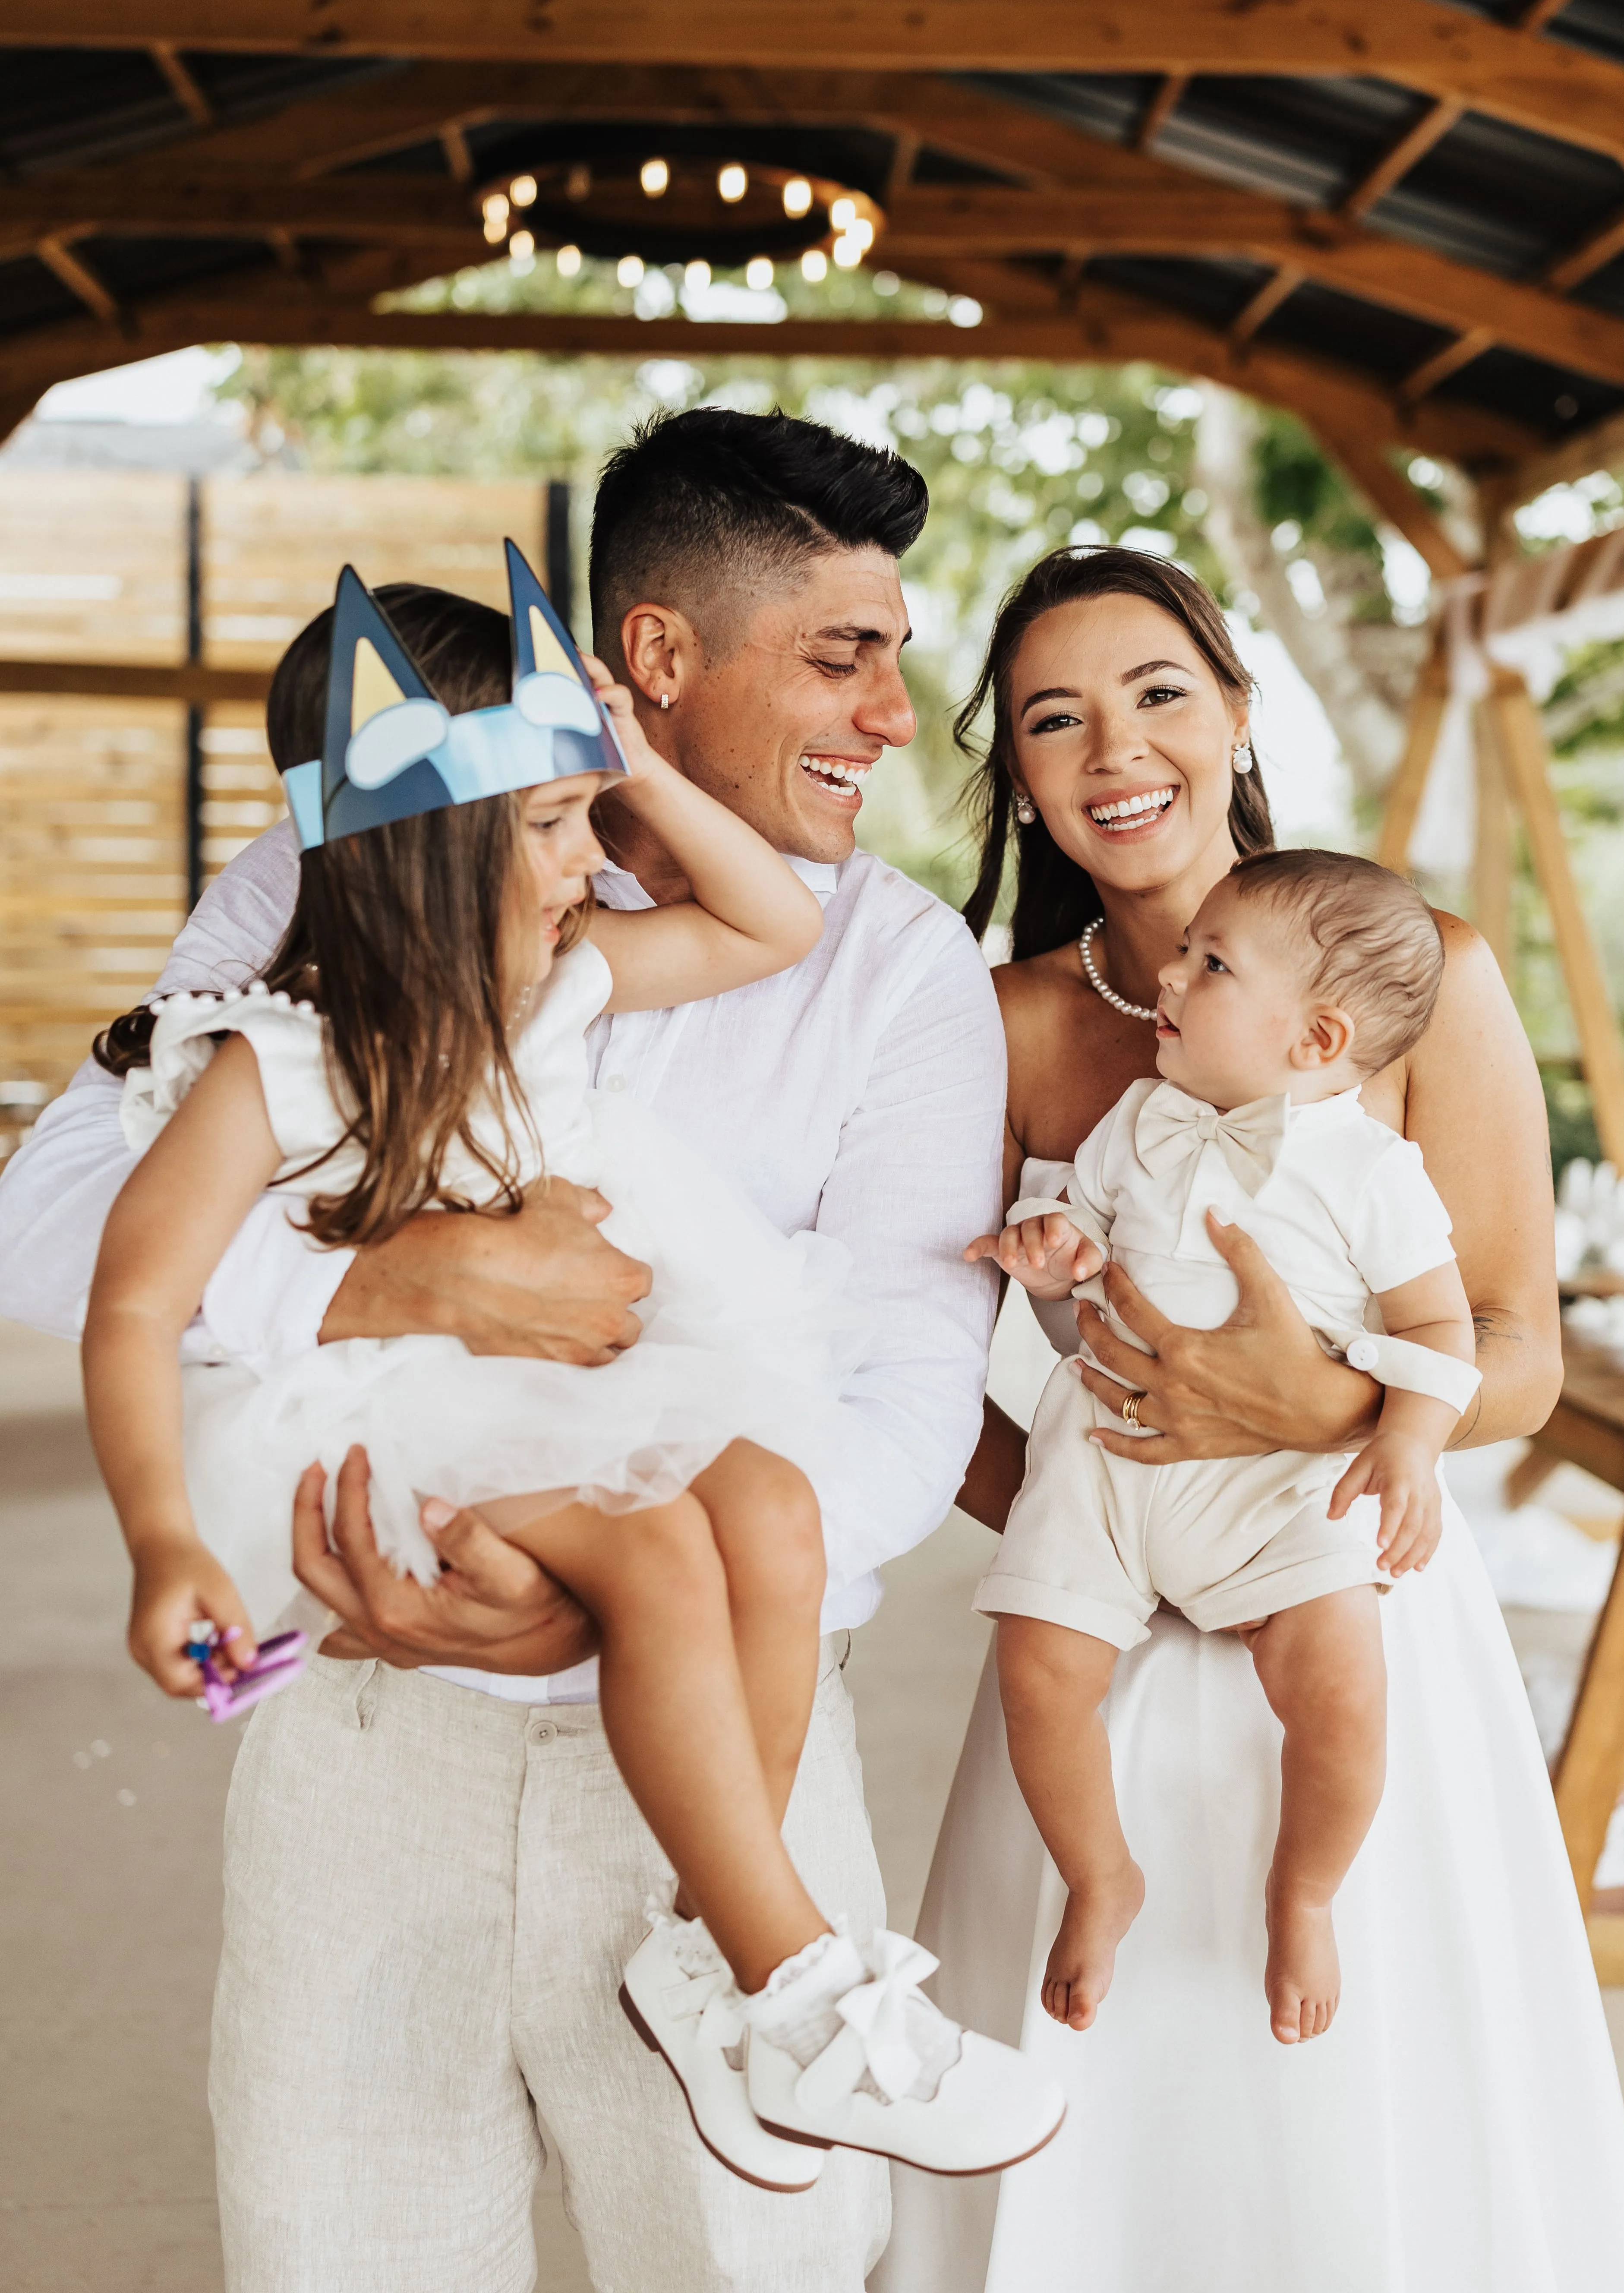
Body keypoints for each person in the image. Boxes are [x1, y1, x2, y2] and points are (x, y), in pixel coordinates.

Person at [0, 407, 1015, 2293]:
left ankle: (758, 1981)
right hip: (371, 1725)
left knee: (751, 2272)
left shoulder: (886, 968)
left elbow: (898, 1387)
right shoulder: (329, 882)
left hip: (730, 1736)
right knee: (343, 2251)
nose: (895, 717)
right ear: (655, 661)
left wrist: (606, 1587)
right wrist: (408, 1287)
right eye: (842, 657)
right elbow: (55, 1226)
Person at [875, 545, 1624, 2293]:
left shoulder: (1423, 975)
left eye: (1159, 691)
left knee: (1374, 2082)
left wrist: (1324, 1414)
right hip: (1112, 1604)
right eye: (1050, 717)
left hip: (1360, 1600)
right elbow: (923, 1369)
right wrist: (1102, 1530)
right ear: (1011, 772)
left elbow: (1515, 1345)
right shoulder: (992, 1027)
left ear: (1237, 714)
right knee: (1099, 2073)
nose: (1113, 748)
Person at [968, 849, 1479, 2044]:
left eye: (1212, 964)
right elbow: (1082, 1259)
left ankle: (1304, 1893)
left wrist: (1410, 1439)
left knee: (1344, 1688)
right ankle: (1102, 1877)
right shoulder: (1141, 1119)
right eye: (1186, 950)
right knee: (1037, 1674)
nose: (1175, 977)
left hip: (1274, 1487)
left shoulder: (1371, 1172)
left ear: (1315, 1041)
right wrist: (1058, 1257)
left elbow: (1438, 1324)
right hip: (1107, 1463)